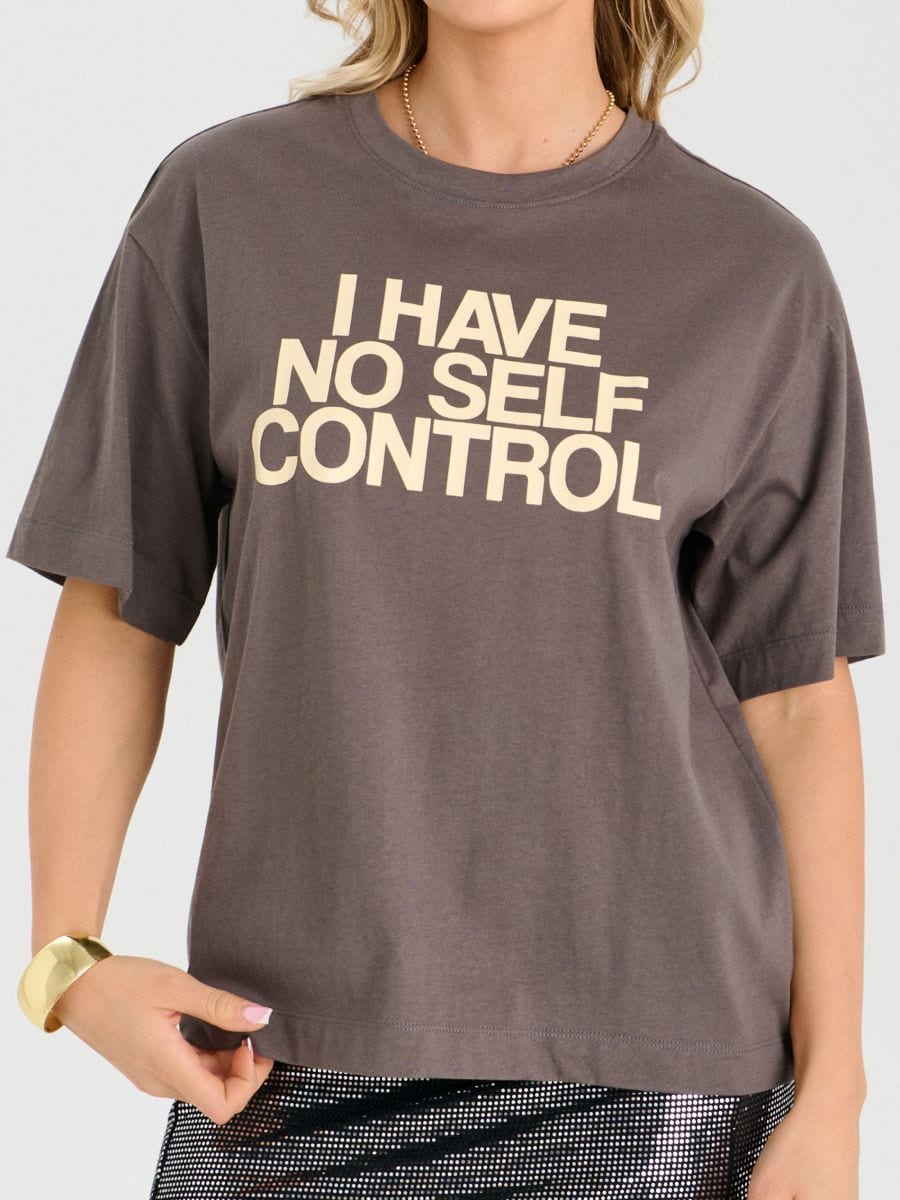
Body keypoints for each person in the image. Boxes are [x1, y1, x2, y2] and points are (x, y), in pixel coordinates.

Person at [7, 1, 886, 1197]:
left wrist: (835, 1089)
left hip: (658, 1081)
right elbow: (121, 595)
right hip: (279, 1061)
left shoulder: (751, 267)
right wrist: (67, 961)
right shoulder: (231, 201)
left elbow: (797, 697)